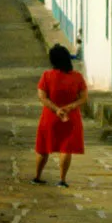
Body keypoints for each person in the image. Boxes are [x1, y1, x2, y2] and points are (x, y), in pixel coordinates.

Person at [32, 44, 88, 188]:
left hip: (50, 117)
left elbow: (42, 97)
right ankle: (62, 180)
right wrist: (69, 107)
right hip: (71, 118)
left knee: (43, 148)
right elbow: (83, 98)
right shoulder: (77, 77)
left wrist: (56, 110)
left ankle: (37, 176)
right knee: (66, 148)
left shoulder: (47, 76)